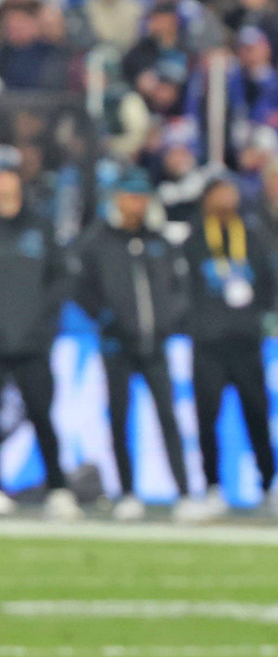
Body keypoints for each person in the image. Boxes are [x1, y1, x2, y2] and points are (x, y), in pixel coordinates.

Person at [70, 170, 193, 521]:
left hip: (155, 343)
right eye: (130, 196)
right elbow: (78, 285)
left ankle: (184, 491)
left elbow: (177, 288)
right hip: (116, 344)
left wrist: (168, 321)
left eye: (142, 197)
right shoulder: (98, 241)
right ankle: (126, 490)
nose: (136, 204)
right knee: (120, 418)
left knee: (167, 417)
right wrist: (106, 317)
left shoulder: (158, 242)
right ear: (117, 199)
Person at [180, 175, 278, 520]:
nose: (227, 198)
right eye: (219, 192)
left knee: (258, 414)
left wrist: (260, 320)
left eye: (231, 190)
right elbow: (181, 287)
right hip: (208, 344)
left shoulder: (252, 236)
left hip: (246, 343)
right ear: (206, 198)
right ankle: (211, 487)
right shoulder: (194, 239)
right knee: (207, 417)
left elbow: (269, 281)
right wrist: (196, 324)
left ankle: (269, 486)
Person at [0, 165, 79, 520]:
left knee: (42, 415)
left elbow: (60, 280)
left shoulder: (39, 226)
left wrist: (43, 325)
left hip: (32, 342)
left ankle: (59, 487)